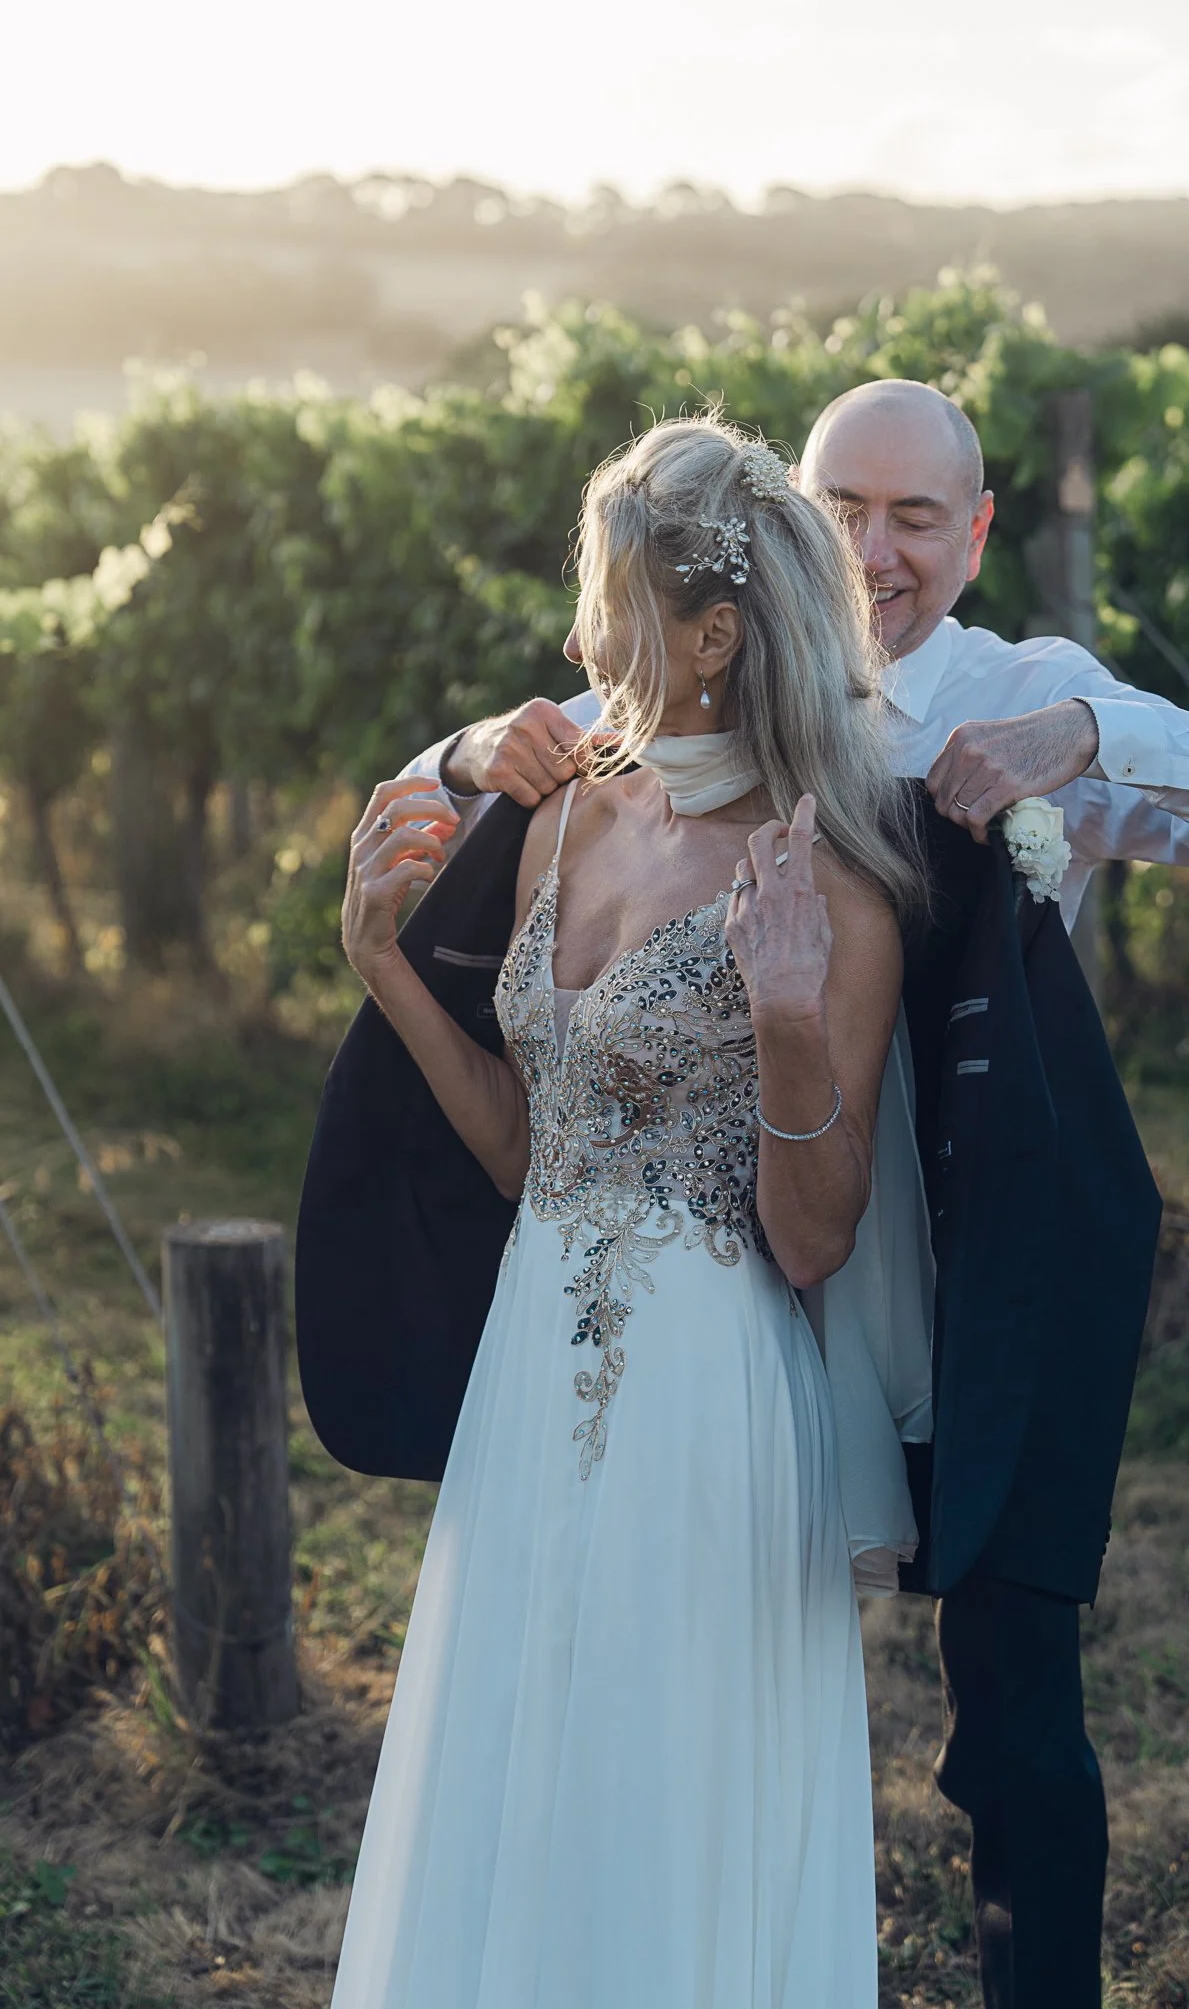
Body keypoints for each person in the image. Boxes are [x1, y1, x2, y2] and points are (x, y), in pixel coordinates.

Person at [364, 382, 1189, 2007]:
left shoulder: (1029, 689)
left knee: (1016, 1718)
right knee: (663, 1665)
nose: (875, 550)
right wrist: (475, 744)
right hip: (737, 1261)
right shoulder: (689, 670)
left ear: (977, 532)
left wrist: (1086, 737)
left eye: (915, 517)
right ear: (785, 525)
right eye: (844, 510)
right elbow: (531, 739)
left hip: (957, 1284)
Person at [320, 413, 929, 2008]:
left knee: (657, 1777)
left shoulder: (831, 881)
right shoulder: (569, 816)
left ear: (713, 634)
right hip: (533, 1366)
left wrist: (793, 1023)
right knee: (519, 1746)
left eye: (607, 600)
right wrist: (382, 963)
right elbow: (530, 1153)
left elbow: (816, 1240)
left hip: (704, 1397)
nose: (581, 635)